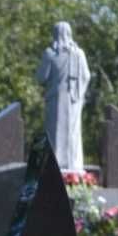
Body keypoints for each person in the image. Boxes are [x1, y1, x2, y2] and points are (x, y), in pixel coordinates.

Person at [36, 22, 89, 174]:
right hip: (74, 100)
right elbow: (86, 76)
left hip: (56, 99)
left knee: (56, 133)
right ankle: (73, 165)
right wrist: (79, 95)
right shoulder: (79, 53)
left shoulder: (50, 54)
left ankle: (56, 165)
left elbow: (41, 77)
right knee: (73, 133)